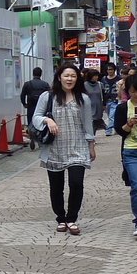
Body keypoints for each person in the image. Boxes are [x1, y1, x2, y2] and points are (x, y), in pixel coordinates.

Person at [32, 63, 96, 236]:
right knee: (56, 186)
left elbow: (88, 124)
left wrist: (91, 145)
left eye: (73, 76)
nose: (70, 79)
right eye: (66, 75)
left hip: (78, 146)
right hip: (55, 148)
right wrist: (47, 120)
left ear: (78, 78)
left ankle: (72, 218)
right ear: (59, 77)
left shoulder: (83, 98)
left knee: (76, 183)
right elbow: (35, 117)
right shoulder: (48, 96)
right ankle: (60, 218)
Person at [114, 71, 137, 239]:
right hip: (131, 151)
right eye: (132, 91)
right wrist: (129, 124)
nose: (136, 95)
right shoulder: (123, 107)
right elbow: (120, 132)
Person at [20, 68, 51, 151]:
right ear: (41, 74)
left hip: (31, 106)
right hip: (42, 107)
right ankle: (41, 139)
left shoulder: (27, 84)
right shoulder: (45, 84)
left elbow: (22, 95)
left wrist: (24, 104)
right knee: (41, 122)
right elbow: (49, 96)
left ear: (32, 73)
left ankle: (32, 138)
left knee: (31, 122)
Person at [82, 68, 105, 133]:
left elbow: (103, 94)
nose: (96, 77)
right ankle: (90, 135)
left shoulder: (100, 84)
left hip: (98, 106)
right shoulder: (84, 85)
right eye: (95, 76)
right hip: (89, 106)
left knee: (96, 121)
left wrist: (104, 104)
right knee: (90, 121)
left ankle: (93, 134)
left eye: (97, 76)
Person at [102, 63, 122, 136]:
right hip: (107, 100)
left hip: (115, 99)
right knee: (110, 116)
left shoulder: (119, 79)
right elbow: (103, 90)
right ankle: (116, 128)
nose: (109, 71)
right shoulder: (104, 79)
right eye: (108, 70)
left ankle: (108, 130)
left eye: (111, 69)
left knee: (111, 116)